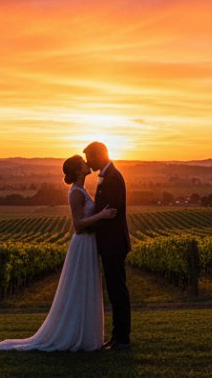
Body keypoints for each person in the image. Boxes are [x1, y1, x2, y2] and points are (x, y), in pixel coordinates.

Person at [0, 154, 116, 352]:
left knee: (86, 287)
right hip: (83, 243)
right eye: (83, 163)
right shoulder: (76, 193)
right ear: (78, 170)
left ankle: (86, 335)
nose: (88, 164)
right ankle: (75, 335)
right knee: (79, 287)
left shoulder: (82, 190)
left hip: (89, 243)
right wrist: (101, 215)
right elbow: (78, 225)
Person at [84, 140, 131, 350]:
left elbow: (110, 212)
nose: (88, 162)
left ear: (99, 155)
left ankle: (122, 338)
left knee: (117, 291)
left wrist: (87, 225)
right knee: (114, 290)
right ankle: (117, 336)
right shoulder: (107, 176)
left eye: (89, 157)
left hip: (114, 244)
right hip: (109, 244)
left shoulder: (113, 177)